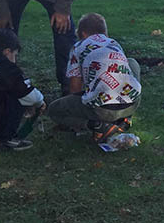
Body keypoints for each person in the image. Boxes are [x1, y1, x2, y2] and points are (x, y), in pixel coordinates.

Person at [49, 12, 141, 142]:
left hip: (102, 109)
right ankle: (125, 119)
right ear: (105, 33)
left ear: (83, 34)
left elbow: (75, 88)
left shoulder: (78, 47)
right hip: (132, 103)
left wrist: (76, 103)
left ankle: (97, 125)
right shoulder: (113, 43)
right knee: (132, 63)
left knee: (54, 110)